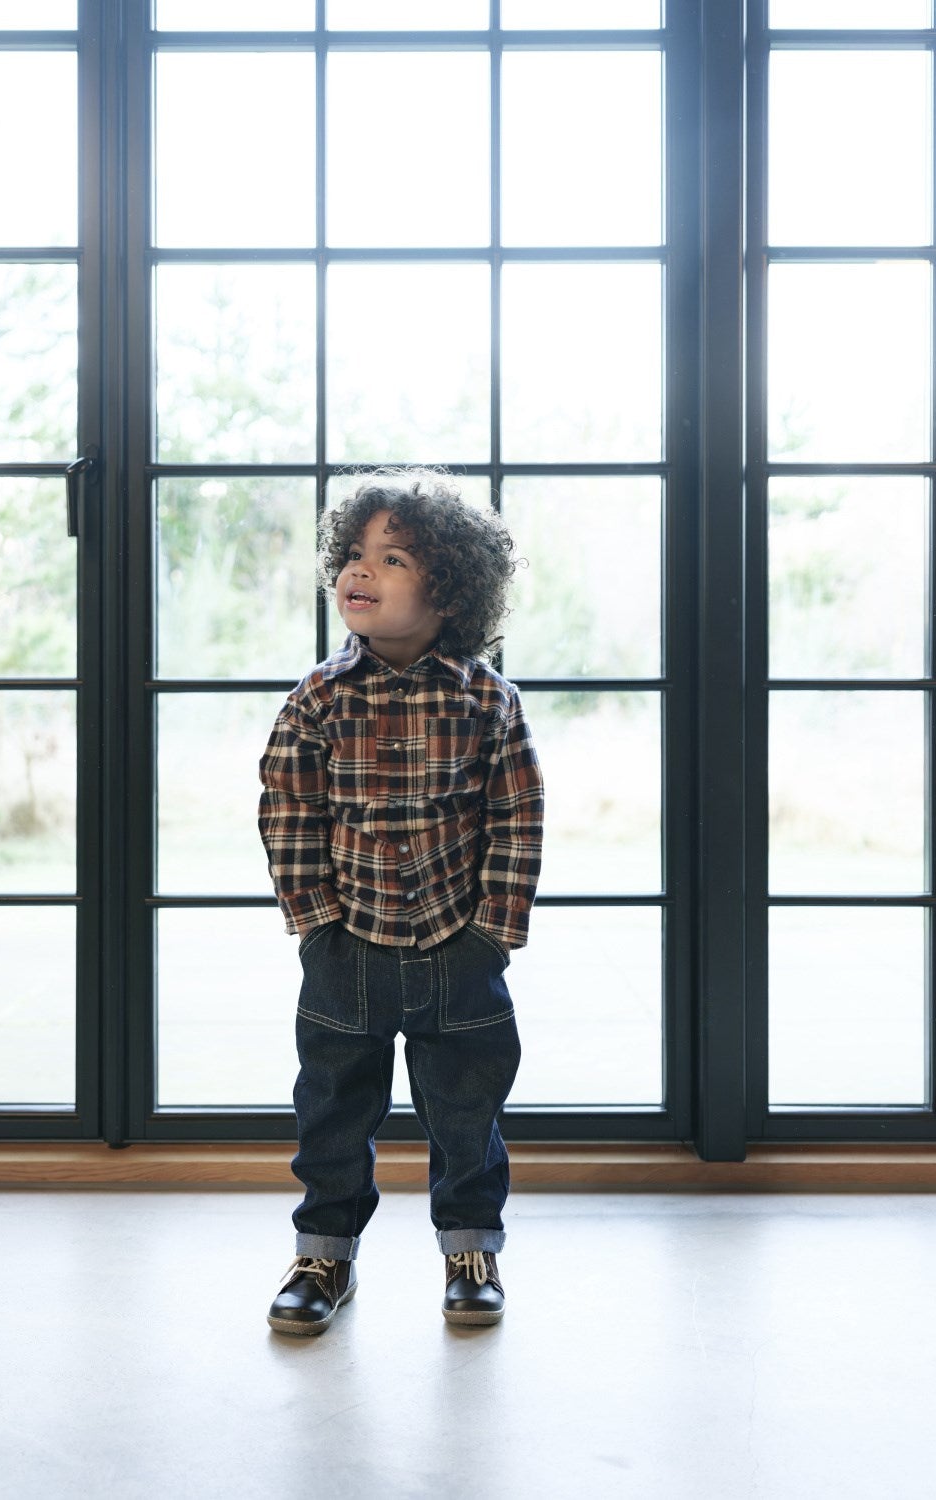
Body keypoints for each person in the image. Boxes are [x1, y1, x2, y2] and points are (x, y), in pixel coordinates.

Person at [258, 467, 544, 1336]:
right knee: (332, 1110)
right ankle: (323, 1255)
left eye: (392, 558)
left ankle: (471, 1251)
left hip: (461, 949)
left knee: (466, 1111)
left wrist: (492, 933)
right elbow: (288, 809)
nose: (361, 569)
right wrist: (317, 926)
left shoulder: (488, 701)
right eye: (353, 553)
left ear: (449, 588)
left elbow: (518, 815)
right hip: (348, 951)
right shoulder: (319, 699)